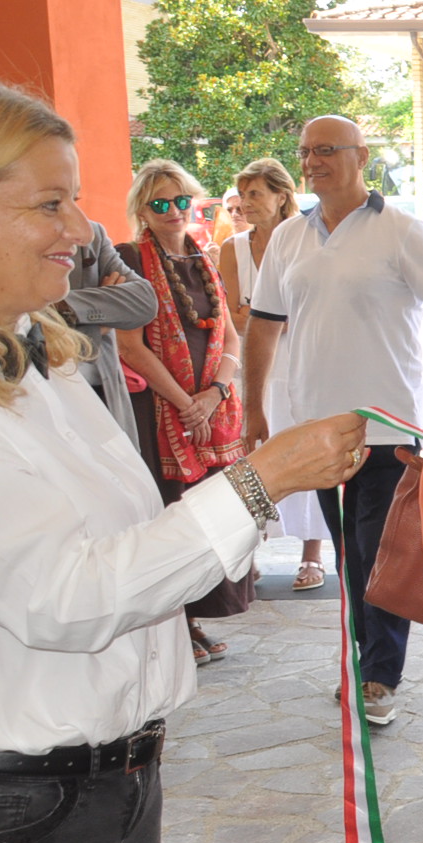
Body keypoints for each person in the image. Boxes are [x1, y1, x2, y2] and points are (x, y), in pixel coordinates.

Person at [0, 82, 367, 843]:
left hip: (118, 784)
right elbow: (71, 594)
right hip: (23, 812)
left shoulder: (44, 353)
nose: (84, 231)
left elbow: (135, 551)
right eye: (51, 206)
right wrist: (259, 483)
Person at [244, 114, 423, 727]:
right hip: (317, 430)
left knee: (380, 555)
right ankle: (365, 663)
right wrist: (254, 406)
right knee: (350, 557)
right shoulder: (289, 237)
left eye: (326, 150)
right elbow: (263, 325)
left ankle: (378, 677)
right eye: (305, 152)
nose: (312, 161)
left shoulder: (400, 230)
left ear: (361, 156)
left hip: (388, 427)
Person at [113, 160, 254, 665]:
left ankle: (199, 616)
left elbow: (232, 336)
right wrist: (183, 401)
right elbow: (130, 345)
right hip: (158, 411)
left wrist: (213, 394)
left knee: (213, 508)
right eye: (159, 203)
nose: (173, 211)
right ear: (141, 210)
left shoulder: (203, 258)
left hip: (210, 409)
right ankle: (181, 625)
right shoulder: (128, 260)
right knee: (172, 512)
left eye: (180, 201)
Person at [220, 158, 330, 591]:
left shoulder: (307, 240)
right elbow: (233, 314)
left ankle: (312, 555)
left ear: (281, 195)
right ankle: (251, 553)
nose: (245, 204)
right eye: (242, 194)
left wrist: (264, 316)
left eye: (255, 194)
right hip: (255, 369)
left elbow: (312, 310)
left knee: (304, 453)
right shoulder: (233, 248)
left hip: (302, 364)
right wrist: (267, 319)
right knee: (252, 456)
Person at [54, 218, 154, 444]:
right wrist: (104, 314)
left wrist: (59, 307)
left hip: (106, 396)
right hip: (51, 403)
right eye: (53, 202)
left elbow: (145, 302)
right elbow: (30, 342)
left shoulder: (92, 234)